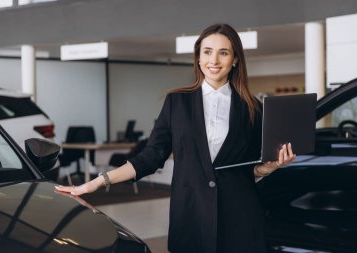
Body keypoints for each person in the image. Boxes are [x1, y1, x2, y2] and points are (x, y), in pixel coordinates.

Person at [56, 23, 296, 253]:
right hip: (191, 215)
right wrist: (97, 182)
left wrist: (266, 169)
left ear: (234, 60)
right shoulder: (177, 102)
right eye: (208, 52)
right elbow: (150, 157)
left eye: (223, 53)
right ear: (198, 57)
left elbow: (248, 168)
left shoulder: (252, 107)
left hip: (240, 218)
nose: (214, 60)